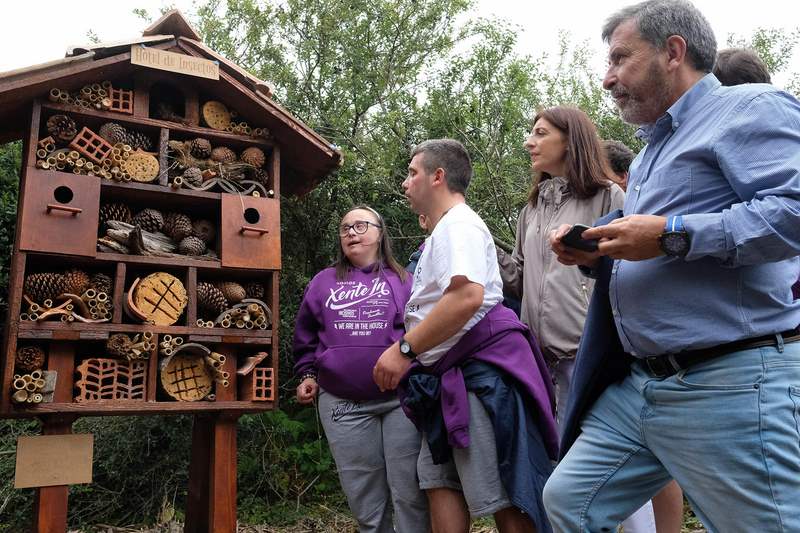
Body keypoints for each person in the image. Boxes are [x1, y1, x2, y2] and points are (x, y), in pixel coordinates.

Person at [542, 1, 800, 532]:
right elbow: (654, 250)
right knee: (570, 501)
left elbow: (793, 211)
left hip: (727, 379)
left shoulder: (750, 106)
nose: (607, 78)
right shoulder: (650, 152)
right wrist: (599, 251)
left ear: (673, 51)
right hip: (641, 386)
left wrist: (672, 235)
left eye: (619, 59)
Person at [373, 139, 558, 533]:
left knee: (509, 493)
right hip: (446, 381)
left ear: (438, 177)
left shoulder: (460, 225)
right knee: (441, 484)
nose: (406, 184)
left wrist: (404, 350)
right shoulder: (444, 232)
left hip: (479, 380)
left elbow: (467, 296)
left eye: (412, 173)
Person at [497, 108, 666, 533]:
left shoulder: (610, 195)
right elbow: (518, 279)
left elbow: (630, 269)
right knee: (565, 473)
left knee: (610, 471)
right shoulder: (530, 208)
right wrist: (484, 247)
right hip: (542, 362)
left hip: (589, 357)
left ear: (570, 139)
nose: (528, 142)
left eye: (539, 133)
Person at [293, 205, 429, 533]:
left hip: (399, 400)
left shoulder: (404, 280)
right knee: (364, 499)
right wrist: (307, 374)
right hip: (343, 405)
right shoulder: (323, 282)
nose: (351, 233)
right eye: (345, 229)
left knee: (409, 492)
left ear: (379, 233)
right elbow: (305, 334)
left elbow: (422, 331)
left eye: (360, 226)